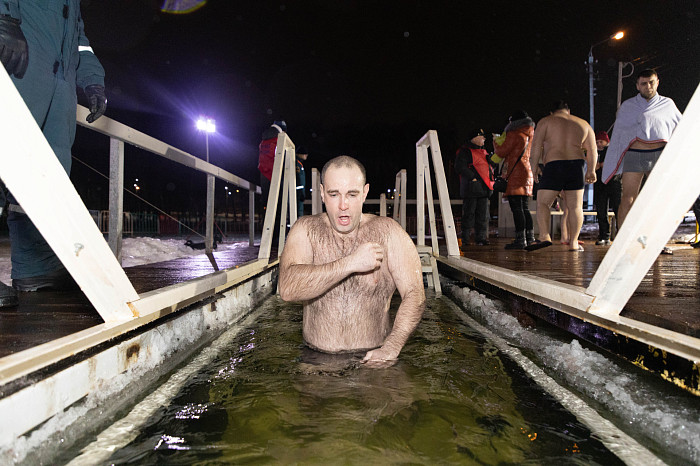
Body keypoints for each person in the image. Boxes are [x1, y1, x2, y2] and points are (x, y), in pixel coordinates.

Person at [0, 1, 107, 305]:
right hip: (17, 68)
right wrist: (3, 18)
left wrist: (93, 80)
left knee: (45, 181)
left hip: (59, 90)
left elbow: (80, 42)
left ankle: (36, 266)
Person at [279, 156, 426, 369]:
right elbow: (287, 289)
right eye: (334, 194)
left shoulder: (389, 232)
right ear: (322, 193)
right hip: (315, 362)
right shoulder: (306, 230)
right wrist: (351, 263)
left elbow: (415, 294)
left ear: (365, 193)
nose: (343, 205)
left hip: (376, 360)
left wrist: (391, 348)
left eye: (352, 194)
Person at [602, 69, 681, 254]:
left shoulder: (667, 104)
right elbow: (620, 135)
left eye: (651, 82)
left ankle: (656, 241)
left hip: (658, 155)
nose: (648, 86)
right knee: (628, 197)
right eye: (644, 83)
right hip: (634, 154)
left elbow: (679, 129)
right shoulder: (628, 106)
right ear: (637, 86)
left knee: (657, 199)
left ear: (657, 82)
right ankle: (622, 241)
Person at [527, 101, 597, 251]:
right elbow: (592, 150)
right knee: (575, 207)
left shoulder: (546, 122)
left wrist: (533, 168)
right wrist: (591, 170)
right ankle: (574, 242)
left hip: (554, 165)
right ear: (568, 111)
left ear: (552, 112)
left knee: (543, 203)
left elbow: (535, 147)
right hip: (576, 166)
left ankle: (544, 236)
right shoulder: (583, 123)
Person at [493, 111, 535, 250]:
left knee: (517, 208)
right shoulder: (530, 134)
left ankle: (520, 240)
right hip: (527, 171)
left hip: (515, 173)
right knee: (525, 208)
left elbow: (501, 152)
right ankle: (530, 238)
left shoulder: (514, 134)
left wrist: (495, 141)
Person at [454, 128, 494, 250]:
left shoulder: (485, 152)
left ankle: (481, 238)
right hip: (471, 189)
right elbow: (459, 167)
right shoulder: (465, 151)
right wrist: (473, 177)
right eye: (482, 136)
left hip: (483, 188)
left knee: (483, 215)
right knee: (469, 214)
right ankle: (465, 238)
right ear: (475, 138)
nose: (484, 139)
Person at [592, 131, 621, 245]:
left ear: (606, 141)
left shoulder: (613, 149)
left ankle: (621, 234)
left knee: (618, 209)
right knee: (601, 210)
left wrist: (602, 164)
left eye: (601, 142)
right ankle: (604, 236)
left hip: (614, 182)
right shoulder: (594, 151)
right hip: (600, 184)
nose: (599, 144)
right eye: (597, 142)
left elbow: (615, 162)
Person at [258, 120, 287, 208]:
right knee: (278, 204)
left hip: (264, 173)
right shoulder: (279, 139)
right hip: (275, 174)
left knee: (267, 204)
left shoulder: (264, 140)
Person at [295, 145, 308, 219]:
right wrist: (301, 192)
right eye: (304, 153)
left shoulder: (299, 164)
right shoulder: (297, 164)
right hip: (298, 193)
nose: (306, 155)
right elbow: (299, 179)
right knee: (298, 211)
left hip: (298, 192)